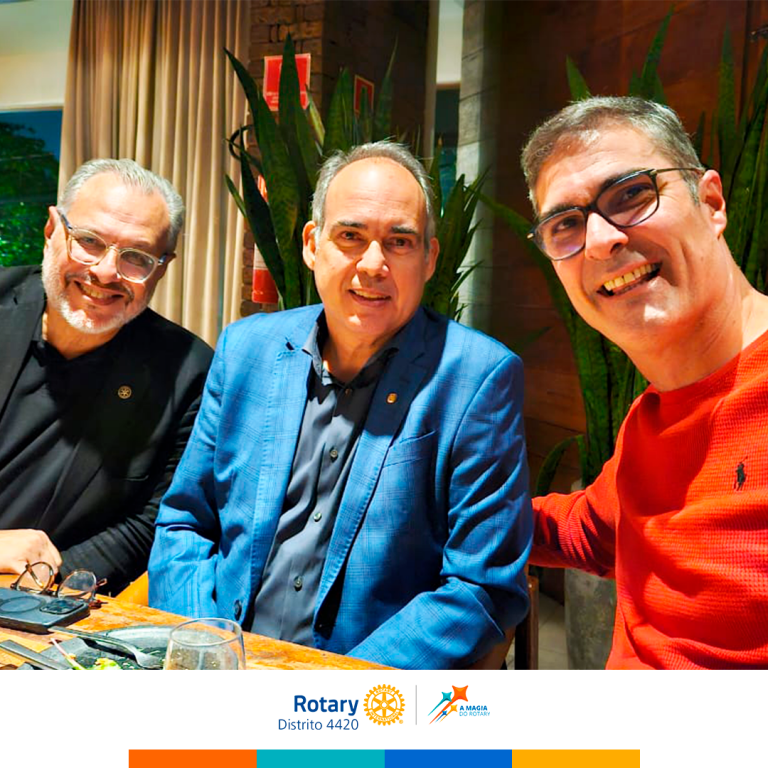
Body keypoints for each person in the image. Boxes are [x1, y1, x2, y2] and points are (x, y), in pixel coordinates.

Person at [149, 141, 532, 669]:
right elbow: (185, 523)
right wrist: (205, 652)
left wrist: (333, 690)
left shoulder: (477, 377)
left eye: (399, 242)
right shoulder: (245, 350)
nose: (373, 264)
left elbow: (480, 586)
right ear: (312, 244)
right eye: (351, 236)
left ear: (429, 258)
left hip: (364, 685)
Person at [522, 95, 768, 669]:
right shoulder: (651, 416)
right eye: (566, 224)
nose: (601, 240)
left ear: (711, 203)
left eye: (631, 194)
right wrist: (434, 506)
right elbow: (589, 530)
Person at [0, 159, 213, 594]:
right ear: (51, 231)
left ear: (161, 268)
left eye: (137, 257)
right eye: (89, 242)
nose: (105, 272)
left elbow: (152, 522)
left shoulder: (188, 372)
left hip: (51, 608)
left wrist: (41, 583)